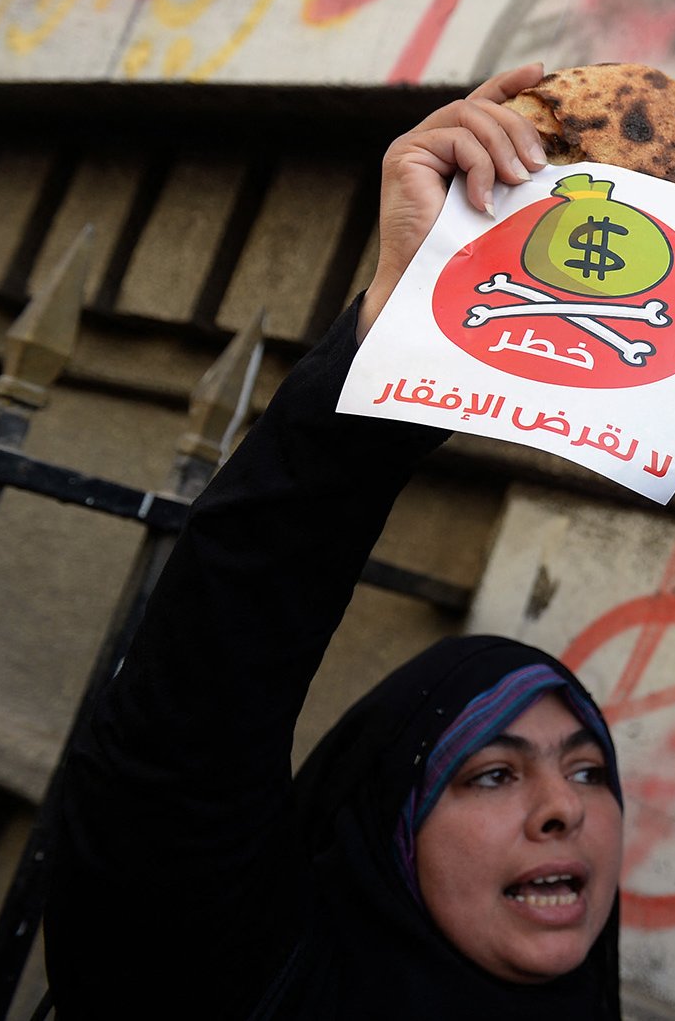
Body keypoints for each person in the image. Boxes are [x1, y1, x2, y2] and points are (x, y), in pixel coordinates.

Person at [44, 65, 632, 1019]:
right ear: (390, 821)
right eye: (492, 770)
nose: (563, 807)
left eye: (589, 769)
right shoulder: (251, 982)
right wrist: (404, 337)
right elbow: (193, 717)